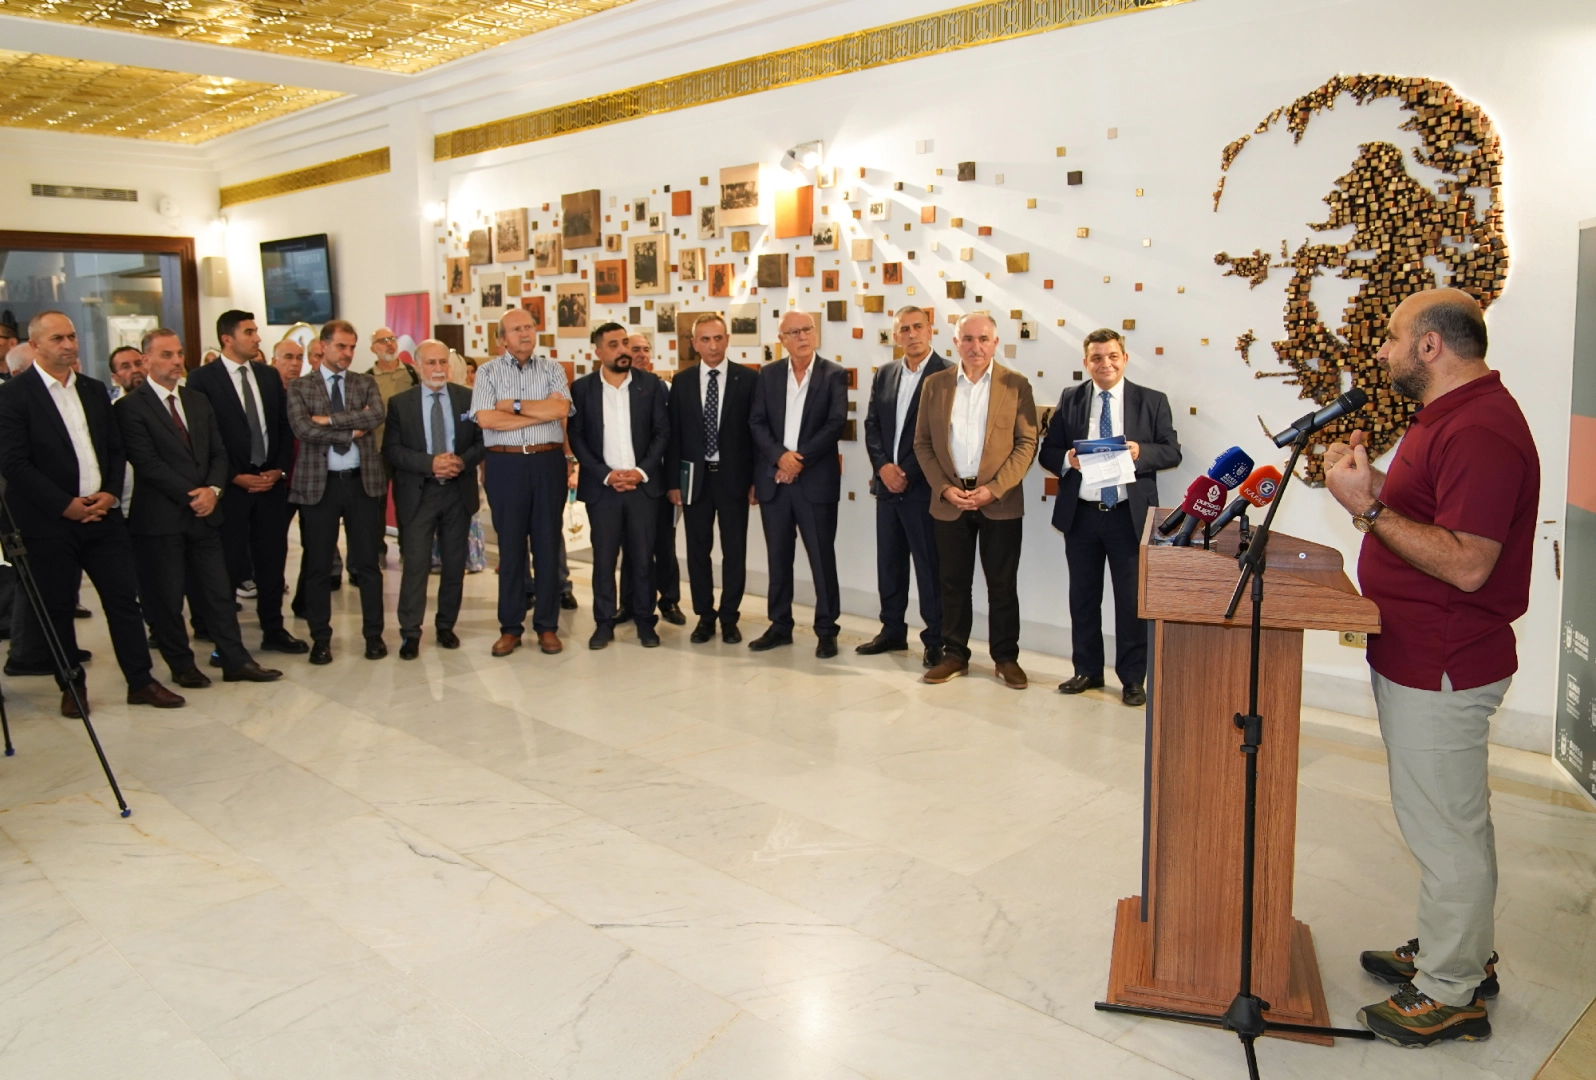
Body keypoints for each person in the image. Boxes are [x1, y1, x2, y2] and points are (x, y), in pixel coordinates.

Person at [1321, 288, 1538, 1048]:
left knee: (1445, 828)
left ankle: (1451, 991)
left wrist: (1367, 509)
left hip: (1445, 659)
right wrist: (1371, 487)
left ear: (1430, 345)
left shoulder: (1479, 429)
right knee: (1446, 819)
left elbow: (1470, 564)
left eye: (1390, 336)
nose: (1381, 350)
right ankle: (1457, 950)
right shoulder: (1446, 415)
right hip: (1419, 650)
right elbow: (1435, 512)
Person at [0, 311, 185, 716]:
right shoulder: (14, 395)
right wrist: (63, 504)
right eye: (57, 339)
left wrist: (108, 493)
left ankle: (141, 680)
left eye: (71, 336)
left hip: (102, 516)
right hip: (49, 522)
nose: (68, 344)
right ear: (35, 345)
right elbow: (14, 463)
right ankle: (71, 685)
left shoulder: (93, 388)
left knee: (124, 601)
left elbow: (115, 449)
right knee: (58, 606)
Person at [116, 328, 281, 687]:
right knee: (168, 597)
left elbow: (219, 452)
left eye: (179, 353)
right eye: (166, 355)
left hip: (206, 515)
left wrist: (214, 490)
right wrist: (196, 494)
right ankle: (182, 665)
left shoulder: (197, 400)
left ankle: (235, 660)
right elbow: (148, 464)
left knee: (218, 592)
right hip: (161, 519)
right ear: (146, 360)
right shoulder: (130, 407)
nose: (176, 361)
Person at [1038, 328, 1182, 707]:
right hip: (1082, 516)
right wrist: (1066, 460)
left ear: (1125, 358)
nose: (1106, 364)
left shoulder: (1151, 400)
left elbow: (1172, 451)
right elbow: (1047, 451)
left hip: (1127, 517)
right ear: (1086, 363)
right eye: (1097, 358)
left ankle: (1132, 679)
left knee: (1130, 602)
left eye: (1113, 356)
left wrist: (1140, 452)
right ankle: (1087, 670)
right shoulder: (1071, 399)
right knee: (1083, 599)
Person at [914, 312, 1038, 689]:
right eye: (967, 339)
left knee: (1002, 585)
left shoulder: (1016, 384)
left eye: (983, 339)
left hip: (999, 502)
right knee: (952, 583)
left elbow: (1026, 443)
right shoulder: (935, 385)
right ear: (956, 343)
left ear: (995, 342)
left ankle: (1006, 658)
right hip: (950, 501)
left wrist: (994, 489)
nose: (975, 346)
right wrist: (943, 488)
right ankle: (954, 655)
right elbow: (922, 443)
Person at [186, 311, 307, 656]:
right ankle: (224, 638)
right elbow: (203, 436)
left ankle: (274, 629)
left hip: (269, 485)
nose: (257, 338)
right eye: (249, 332)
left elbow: (282, 427)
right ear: (228, 338)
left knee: (272, 560)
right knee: (226, 563)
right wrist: (232, 476)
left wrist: (278, 470)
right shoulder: (202, 379)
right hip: (230, 488)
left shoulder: (267, 376)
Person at [473, 308, 575, 657]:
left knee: (547, 546)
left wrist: (512, 406)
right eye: (516, 329)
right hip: (506, 465)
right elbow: (486, 419)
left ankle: (547, 626)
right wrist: (536, 413)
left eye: (529, 326)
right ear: (502, 339)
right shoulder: (487, 372)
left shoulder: (552, 369)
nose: (525, 333)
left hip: (547, 463)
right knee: (512, 549)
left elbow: (560, 411)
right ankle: (510, 628)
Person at [287, 320, 388, 663]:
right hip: (320, 486)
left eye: (352, 347)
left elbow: (375, 415)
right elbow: (303, 429)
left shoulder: (365, 382)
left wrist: (327, 420)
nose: (347, 353)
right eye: (341, 346)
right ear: (324, 346)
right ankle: (320, 639)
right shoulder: (301, 387)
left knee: (367, 565)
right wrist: (349, 429)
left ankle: (373, 636)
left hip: (361, 483)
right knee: (318, 567)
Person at [748, 311, 848, 656]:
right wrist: (780, 457)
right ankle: (779, 626)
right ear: (782, 340)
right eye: (794, 332)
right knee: (778, 559)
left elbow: (835, 424)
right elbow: (757, 422)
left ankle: (827, 630)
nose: (802, 336)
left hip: (815, 483)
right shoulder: (769, 374)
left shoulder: (834, 374)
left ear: (815, 333)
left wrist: (798, 460)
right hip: (775, 482)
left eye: (807, 329)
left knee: (822, 559)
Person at [860, 305, 950, 667]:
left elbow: (942, 434)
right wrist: (883, 467)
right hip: (887, 488)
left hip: (923, 488)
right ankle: (892, 630)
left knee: (929, 567)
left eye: (918, 327)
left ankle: (935, 640)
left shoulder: (947, 374)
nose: (912, 334)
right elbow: (871, 425)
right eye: (904, 329)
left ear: (930, 331)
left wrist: (906, 473)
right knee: (890, 564)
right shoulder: (885, 374)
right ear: (895, 337)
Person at [570, 323, 670, 649]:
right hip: (603, 490)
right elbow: (577, 437)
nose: (623, 350)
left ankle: (645, 621)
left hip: (642, 488)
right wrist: (605, 474)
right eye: (614, 345)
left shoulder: (649, 384)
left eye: (625, 342)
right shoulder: (582, 389)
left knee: (642, 559)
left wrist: (640, 471)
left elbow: (662, 433)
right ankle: (603, 622)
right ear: (598, 352)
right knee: (604, 560)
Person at [384, 339, 484, 660]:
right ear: (417, 366)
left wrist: (462, 462)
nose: (438, 368)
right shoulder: (401, 404)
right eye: (431, 363)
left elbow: (482, 441)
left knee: (455, 564)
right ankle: (411, 633)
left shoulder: (468, 399)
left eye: (443, 362)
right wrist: (430, 463)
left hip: (457, 491)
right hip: (419, 493)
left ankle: (445, 626)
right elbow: (392, 450)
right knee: (416, 565)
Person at [666, 315, 757, 645]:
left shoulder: (748, 379)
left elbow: (756, 435)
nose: (713, 345)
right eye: (704, 339)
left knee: (734, 552)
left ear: (728, 339)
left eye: (718, 338)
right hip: (694, 480)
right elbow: (674, 435)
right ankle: (705, 616)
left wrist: (756, 481)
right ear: (694, 344)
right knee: (697, 551)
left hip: (734, 480)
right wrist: (673, 482)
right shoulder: (682, 381)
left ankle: (729, 617)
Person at [618, 332, 684, 625]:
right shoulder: (616, 390)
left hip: (660, 482)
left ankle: (669, 601)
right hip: (627, 483)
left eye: (646, 349)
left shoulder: (665, 389)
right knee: (631, 547)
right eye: (636, 349)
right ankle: (628, 603)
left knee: (664, 545)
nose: (642, 355)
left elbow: (674, 439)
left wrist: (675, 483)